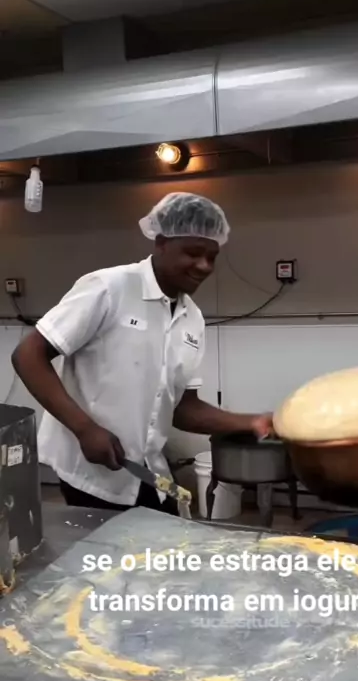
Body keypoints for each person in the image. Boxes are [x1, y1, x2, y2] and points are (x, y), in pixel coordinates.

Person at [12, 192, 273, 515]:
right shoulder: (109, 288)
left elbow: (182, 408)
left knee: (163, 540)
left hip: (146, 468)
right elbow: (28, 355)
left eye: (212, 256)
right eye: (193, 253)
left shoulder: (192, 318)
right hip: (90, 469)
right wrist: (84, 428)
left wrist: (252, 422)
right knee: (108, 546)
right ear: (161, 243)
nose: (204, 266)